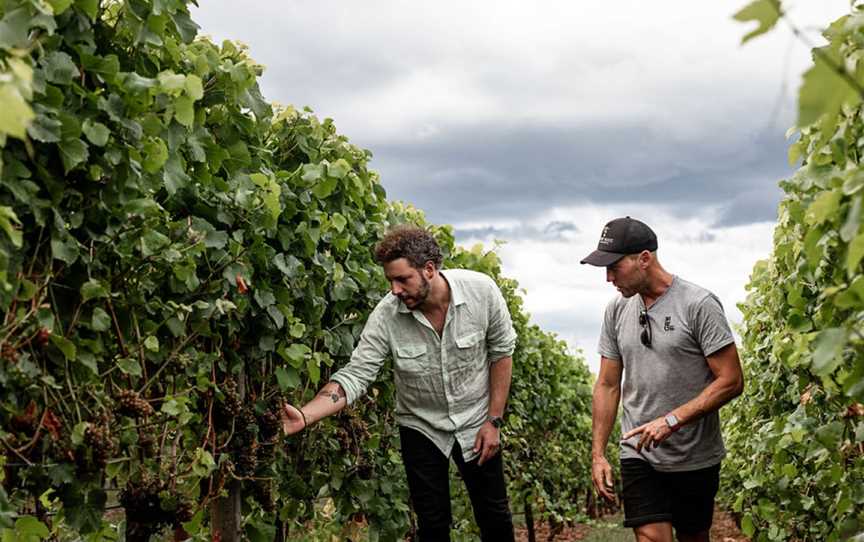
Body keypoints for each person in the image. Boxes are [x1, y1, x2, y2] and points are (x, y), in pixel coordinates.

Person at [280, 225, 517, 542]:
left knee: (495, 518)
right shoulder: (386, 316)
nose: (394, 289)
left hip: (476, 419)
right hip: (420, 425)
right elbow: (357, 374)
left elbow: (501, 353)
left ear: (429, 270)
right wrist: (306, 415)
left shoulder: (482, 292)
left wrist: (494, 420)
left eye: (402, 279)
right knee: (432, 525)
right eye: (390, 280)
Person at [580, 217, 744, 542]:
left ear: (645, 258)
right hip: (638, 451)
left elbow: (731, 380)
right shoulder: (616, 310)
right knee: (651, 538)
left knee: (693, 536)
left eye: (614, 267)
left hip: (694, 454)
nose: (609, 277)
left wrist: (671, 420)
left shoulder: (698, 305)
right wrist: (598, 454)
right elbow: (608, 385)